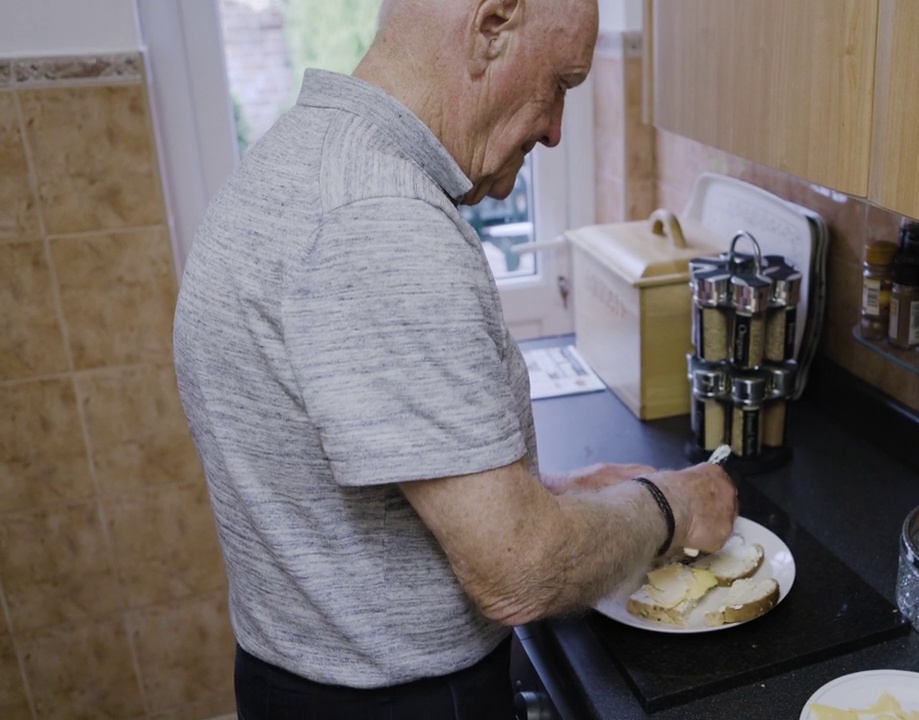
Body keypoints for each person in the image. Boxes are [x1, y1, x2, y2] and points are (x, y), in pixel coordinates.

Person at [171, 0, 738, 717]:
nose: (558, 130)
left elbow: (365, 472)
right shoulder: (384, 222)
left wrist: (557, 491)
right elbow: (519, 573)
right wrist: (675, 505)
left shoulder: (300, 156)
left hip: (292, 680)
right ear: (492, 24)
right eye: (560, 83)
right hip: (400, 700)